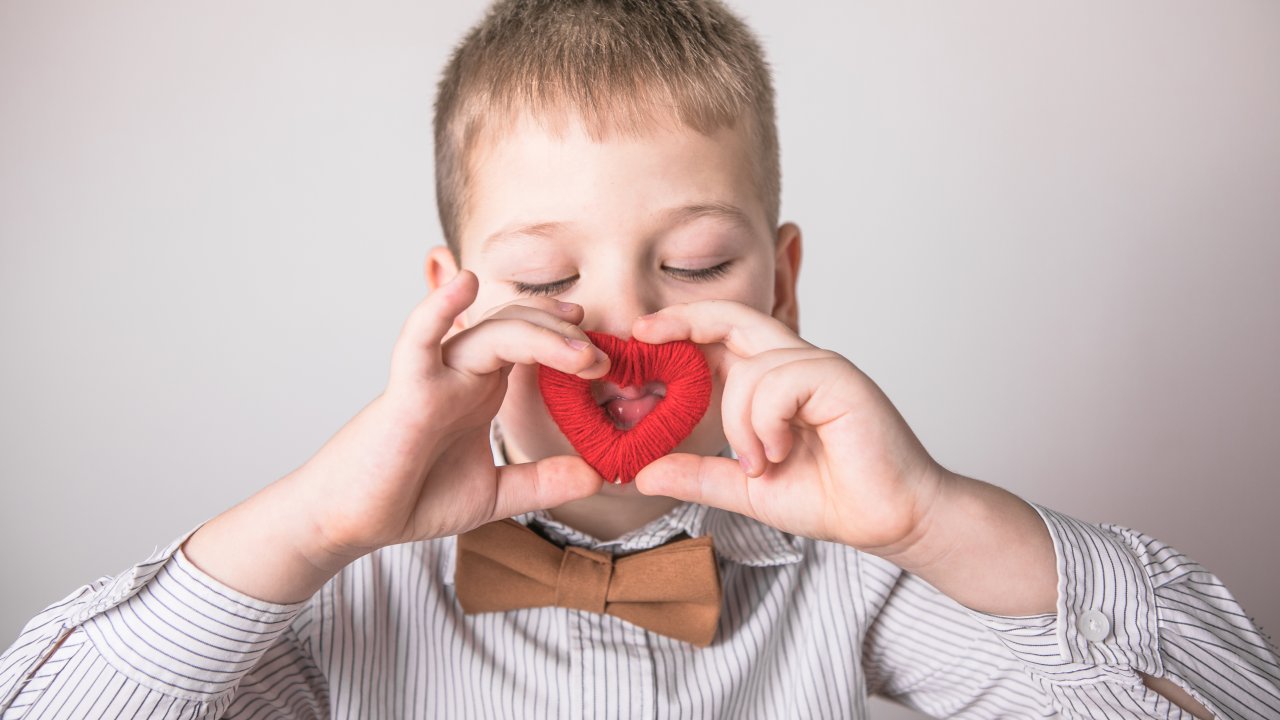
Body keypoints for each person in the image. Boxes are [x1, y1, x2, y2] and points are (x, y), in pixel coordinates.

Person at [2, 1, 1277, 717]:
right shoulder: (340, 592)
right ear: (449, 303)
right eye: (550, 279)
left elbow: (1221, 701)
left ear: (781, 281)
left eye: (698, 262)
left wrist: (937, 517)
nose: (616, 329)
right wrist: (308, 527)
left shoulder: (859, 578)